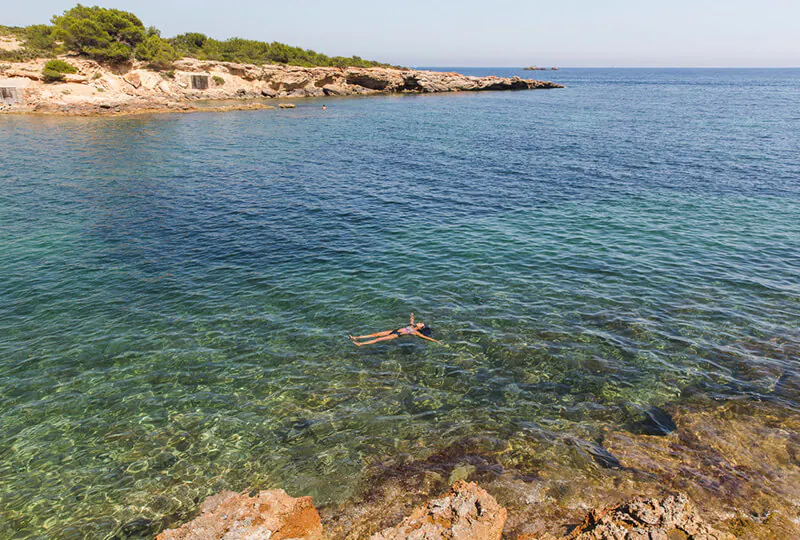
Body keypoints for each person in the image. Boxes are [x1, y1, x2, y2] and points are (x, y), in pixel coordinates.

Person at [349, 313, 440, 346]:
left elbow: (426, 337)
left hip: (395, 335)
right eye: (420, 322)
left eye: (421, 324)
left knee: (378, 339)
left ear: (420, 328)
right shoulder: (412, 325)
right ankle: (356, 337)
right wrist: (412, 315)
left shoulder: (415, 332)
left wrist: (436, 341)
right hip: (393, 330)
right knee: (375, 334)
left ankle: (360, 344)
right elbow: (411, 320)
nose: (420, 322)